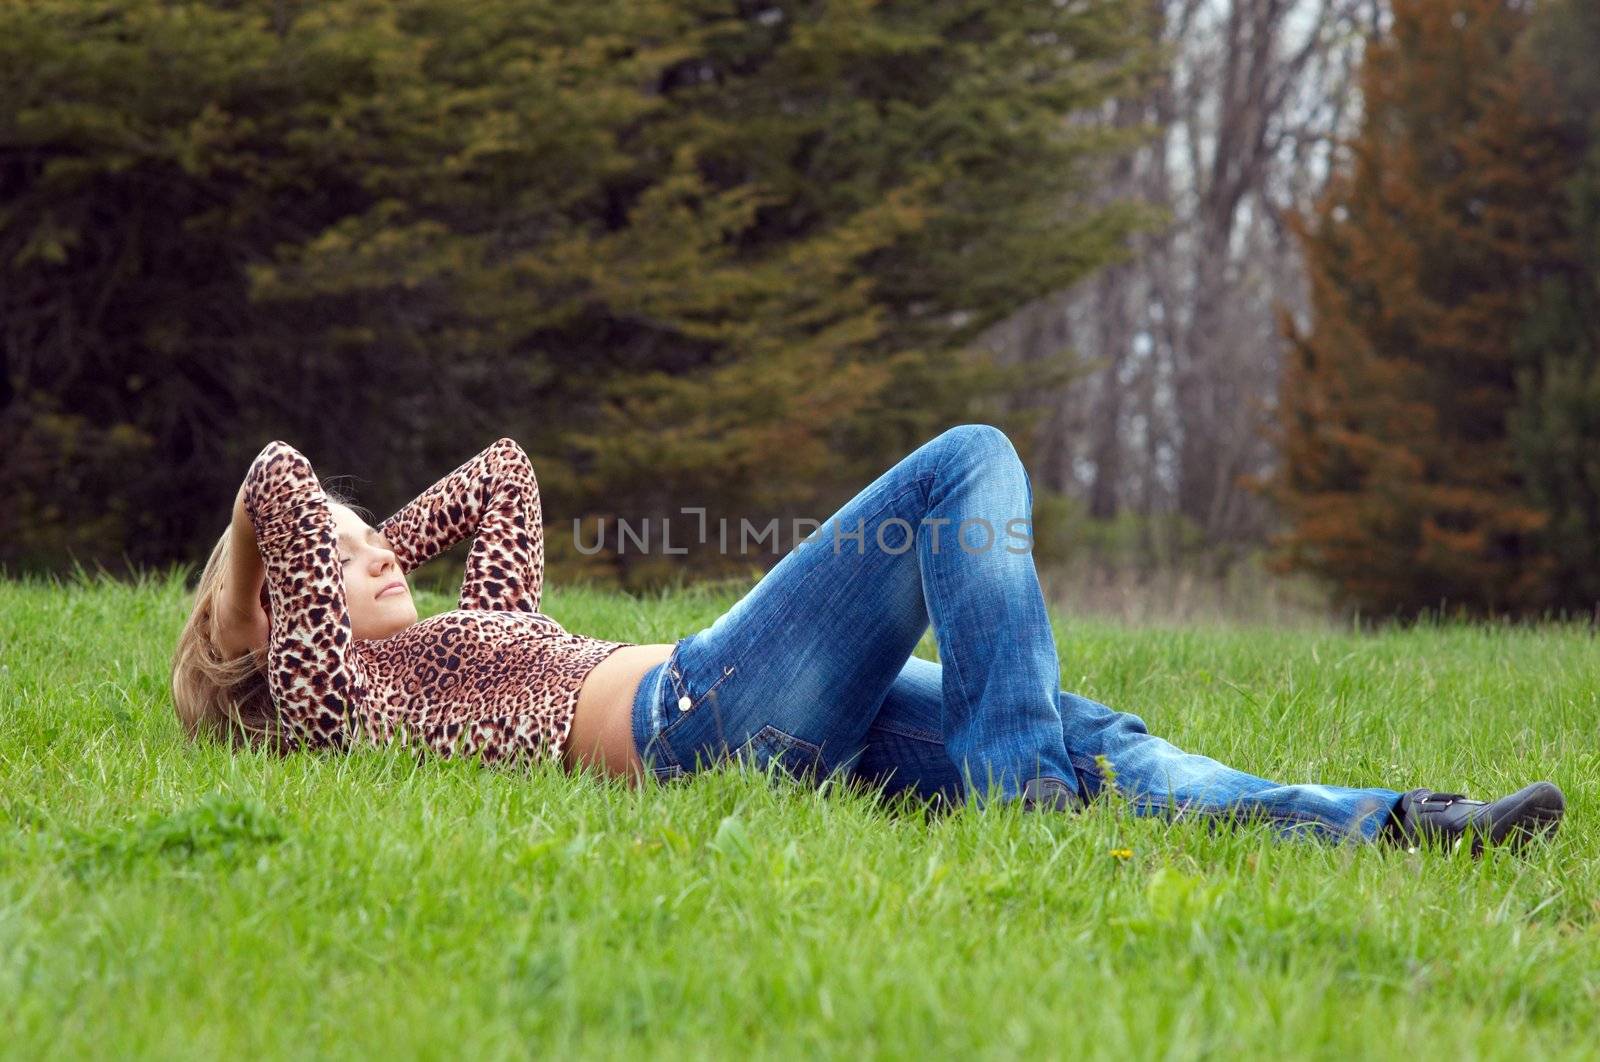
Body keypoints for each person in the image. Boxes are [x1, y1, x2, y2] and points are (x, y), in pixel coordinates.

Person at [171, 426, 1566, 853]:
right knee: (967, 468)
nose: (365, 546)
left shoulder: (483, 621)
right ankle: (1022, 795)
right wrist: (301, 573)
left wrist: (379, 547)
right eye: (336, 553)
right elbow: (279, 479)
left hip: (759, 714)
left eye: (373, 533)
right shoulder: (340, 693)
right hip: (699, 722)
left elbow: (508, 473)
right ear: (274, 622)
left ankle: (1391, 824)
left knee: (1111, 745)